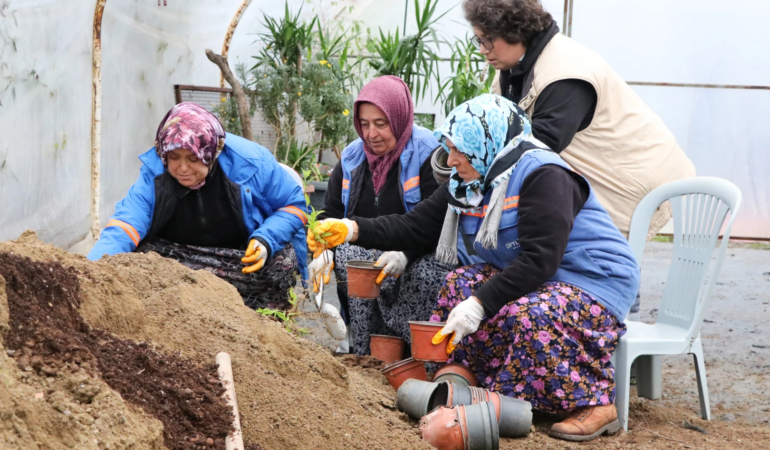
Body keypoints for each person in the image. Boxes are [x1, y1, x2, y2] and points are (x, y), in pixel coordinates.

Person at [308, 95, 640, 442]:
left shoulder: (545, 175)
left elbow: (540, 259)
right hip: (542, 278)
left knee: (529, 315)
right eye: (449, 149)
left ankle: (593, 400)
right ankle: (467, 378)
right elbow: (414, 226)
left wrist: (479, 305)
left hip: (593, 279)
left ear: (487, 144)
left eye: (460, 151)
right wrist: (353, 229)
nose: (451, 160)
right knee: (456, 285)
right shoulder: (468, 183)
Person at [462, 0, 693, 314]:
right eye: (478, 39)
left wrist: (472, 161)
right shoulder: (514, 68)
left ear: (516, 31)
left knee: (603, 260)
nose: (482, 49)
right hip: (600, 172)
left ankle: (612, 325)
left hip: (630, 178)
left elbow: (539, 143)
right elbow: (493, 132)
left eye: (488, 39)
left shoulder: (565, 72)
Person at [88, 103, 308, 310]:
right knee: (134, 258)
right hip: (179, 257)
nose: (183, 168)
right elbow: (125, 225)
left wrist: (265, 239)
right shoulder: (156, 171)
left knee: (282, 262)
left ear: (211, 153)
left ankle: (267, 325)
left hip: (238, 257)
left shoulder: (252, 163)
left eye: (193, 159)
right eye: (174, 157)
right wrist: (88, 272)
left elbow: (294, 206)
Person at [309, 76, 460, 355]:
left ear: (400, 118)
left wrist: (405, 254)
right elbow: (330, 213)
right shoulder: (353, 158)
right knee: (348, 260)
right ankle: (366, 352)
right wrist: (323, 251)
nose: (371, 134)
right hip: (370, 245)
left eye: (381, 123)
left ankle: (414, 353)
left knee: (425, 274)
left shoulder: (430, 154)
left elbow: (436, 223)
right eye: (364, 124)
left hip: (419, 249)